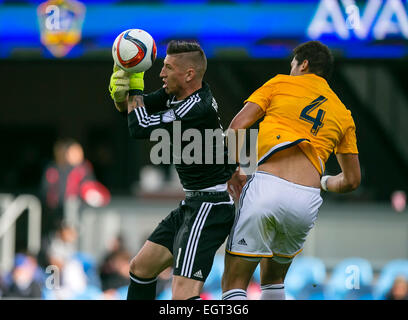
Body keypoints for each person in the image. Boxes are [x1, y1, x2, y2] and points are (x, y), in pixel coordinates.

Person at [222, 40, 361, 300]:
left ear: (304, 63)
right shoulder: (343, 113)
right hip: (306, 200)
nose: (290, 70)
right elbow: (352, 181)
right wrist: (324, 182)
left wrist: (234, 168)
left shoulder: (280, 83)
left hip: (267, 188)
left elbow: (237, 124)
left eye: (292, 65)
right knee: (274, 281)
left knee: (234, 282)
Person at [108, 40, 236, 300]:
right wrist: (123, 94)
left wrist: (134, 81)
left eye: (167, 68)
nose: (161, 74)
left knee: (182, 297)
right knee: (141, 267)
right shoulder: (178, 94)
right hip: (193, 202)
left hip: (210, 207)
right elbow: (137, 109)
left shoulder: (195, 107)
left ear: (189, 74)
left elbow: (139, 126)